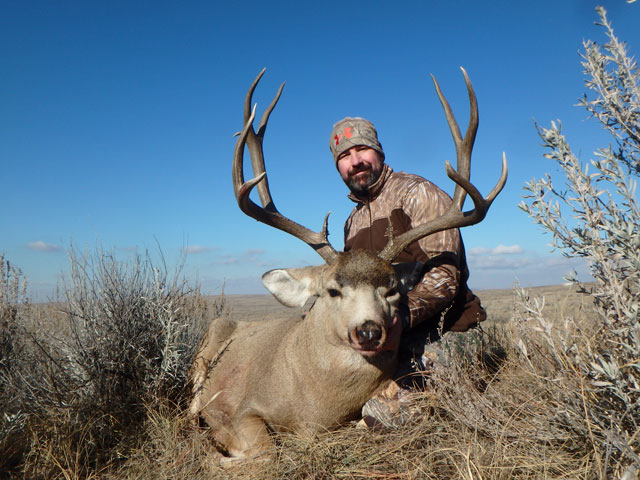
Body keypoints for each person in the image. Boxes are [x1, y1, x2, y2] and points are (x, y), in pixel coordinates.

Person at [330, 117, 487, 425]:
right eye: (344, 156)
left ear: (378, 152)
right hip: (383, 339)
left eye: (362, 150)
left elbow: (445, 279)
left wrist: (397, 318)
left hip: (443, 332)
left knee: (380, 416)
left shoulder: (416, 192)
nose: (355, 161)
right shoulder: (352, 222)